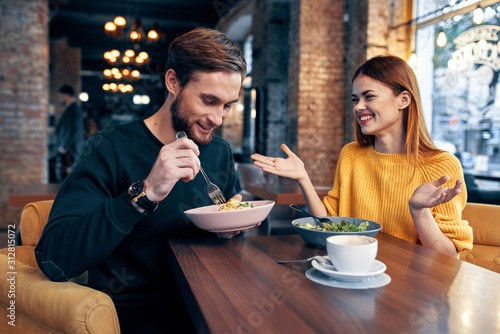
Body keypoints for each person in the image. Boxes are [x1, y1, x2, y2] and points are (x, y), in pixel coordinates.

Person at [35, 28, 247, 333]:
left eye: (227, 105)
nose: (217, 118)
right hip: (134, 315)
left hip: (212, 304)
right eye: (209, 100)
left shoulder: (220, 152)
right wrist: (145, 193)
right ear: (173, 81)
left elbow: (226, 241)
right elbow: (54, 258)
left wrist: (232, 228)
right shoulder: (108, 148)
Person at [251, 55, 473, 258]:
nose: (359, 106)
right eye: (355, 99)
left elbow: (449, 257)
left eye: (369, 97)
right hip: (350, 274)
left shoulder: (441, 166)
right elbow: (329, 224)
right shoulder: (351, 155)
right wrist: (303, 178)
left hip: (409, 288)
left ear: (403, 100)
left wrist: (419, 211)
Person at [50, 85, 84, 182]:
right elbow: (68, 127)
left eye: (61, 96)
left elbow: (75, 130)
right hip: (69, 147)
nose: (60, 98)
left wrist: (64, 146)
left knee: (68, 177)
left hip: (71, 149)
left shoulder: (74, 109)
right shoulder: (72, 109)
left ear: (65, 95)